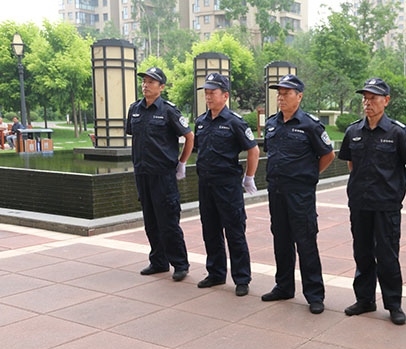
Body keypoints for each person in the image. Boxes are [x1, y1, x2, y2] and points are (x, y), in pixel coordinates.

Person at [338, 78, 406, 325]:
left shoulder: (397, 132)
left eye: (373, 98)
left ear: (386, 101)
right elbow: (351, 163)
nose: (367, 102)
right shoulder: (353, 131)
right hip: (360, 203)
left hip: (386, 205)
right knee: (362, 253)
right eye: (365, 98)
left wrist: (396, 188)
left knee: (387, 255)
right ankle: (364, 300)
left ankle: (393, 304)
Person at [261, 74, 335, 314]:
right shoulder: (272, 124)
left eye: (286, 93)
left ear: (299, 96)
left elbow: (328, 154)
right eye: (279, 93)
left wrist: (309, 176)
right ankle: (283, 286)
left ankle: (314, 294)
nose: (281, 97)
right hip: (276, 191)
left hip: (300, 194)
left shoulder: (310, 125)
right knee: (281, 240)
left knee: (305, 242)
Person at [126, 67, 194, 282]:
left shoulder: (168, 110)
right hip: (142, 173)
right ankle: (158, 261)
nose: (145, 85)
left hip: (163, 175)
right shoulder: (134, 109)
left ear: (161, 87)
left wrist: (181, 163)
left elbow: (189, 137)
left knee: (168, 222)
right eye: (144, 81)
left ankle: (180, 264)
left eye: (151, 82)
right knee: (150, 220)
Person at [194, 73, 260, 297]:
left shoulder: (235, 122)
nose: (208, 97)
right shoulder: (201, 122)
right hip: (206, 184)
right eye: (206, 93)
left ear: (225, 96)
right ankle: (215, 273)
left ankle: (242, 278)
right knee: (210, 229)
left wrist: (249, 177)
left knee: (234, 231)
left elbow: (253, 150)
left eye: (212, 93)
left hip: (227, 186)